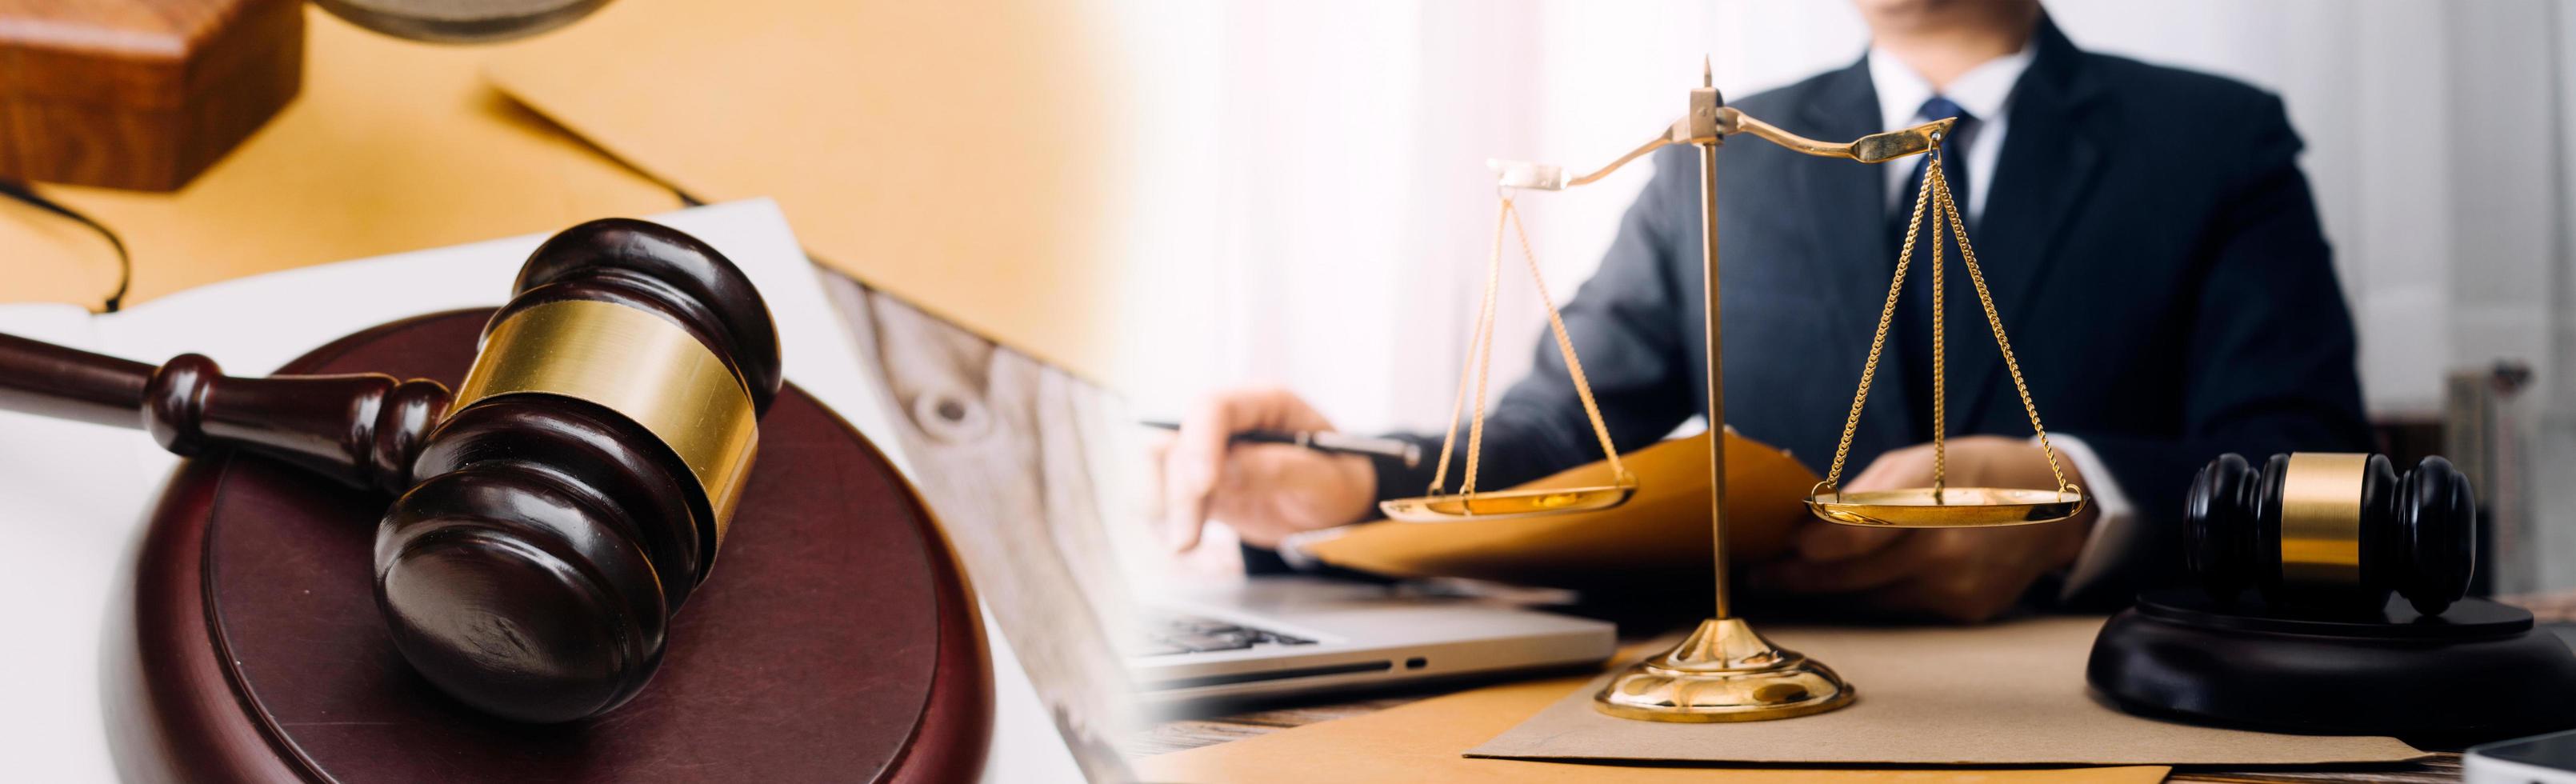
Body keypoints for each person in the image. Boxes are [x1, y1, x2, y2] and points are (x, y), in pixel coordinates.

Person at [1156, 0, 2370, 622]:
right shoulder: (1721, 153)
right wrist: (1348, 478)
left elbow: (2316, 472)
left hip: (2094, 696)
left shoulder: (2215, 142)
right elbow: (1557, 438)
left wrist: (2073, 506)